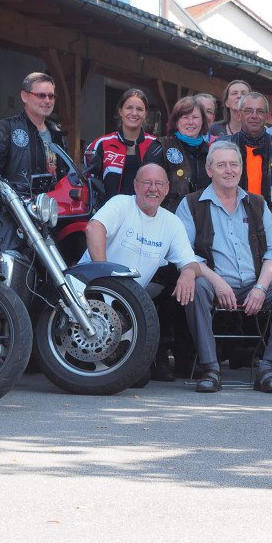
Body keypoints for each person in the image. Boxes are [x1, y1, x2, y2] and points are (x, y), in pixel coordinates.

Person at [175, 140, 272, 394]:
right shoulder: (191, 204)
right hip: (213, 284)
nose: (229, 170)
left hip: (253, 284)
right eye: (221, 165)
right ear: (209, 170)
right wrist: (217, 282)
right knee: (195, 287)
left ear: (241, 168)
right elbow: (184, 254)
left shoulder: (257, 203)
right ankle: (210, 368)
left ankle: (269, 368)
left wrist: (261, 287)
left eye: (234, 164)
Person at [82, 163, 200, 381]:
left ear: (167, 188)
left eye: (158, 184)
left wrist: (187, 273)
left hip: (127, 308)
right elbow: (94, 228)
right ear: (135, 185)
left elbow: (190, 262)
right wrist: (106, 280)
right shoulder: (120, 203)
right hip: (90, 295)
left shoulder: (172, 223)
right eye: (147, 183)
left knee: (140, 378)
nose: (152, 189)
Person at [0, 72, 67, 251]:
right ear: (25, 96)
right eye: (41, 95)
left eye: (51, 96)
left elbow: (63, 175)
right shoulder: (5, 128)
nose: (47, 100)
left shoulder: (56, 133)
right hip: (14, 219)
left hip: (49, 216)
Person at [218, 91, 272, 238]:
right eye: (248, 111)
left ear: (267, 116)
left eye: (260, 111)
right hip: (229, 229)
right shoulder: (222, 146)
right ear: (239, 114)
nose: (254, 116)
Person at [84, 88, 157, 202]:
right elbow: (89, 184)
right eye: (129, 108)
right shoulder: (100, 144)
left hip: (147, 211)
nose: (134, 113)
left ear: (145, 113)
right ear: (120, 111)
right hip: (110, 211)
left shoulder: (156, 145)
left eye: (139, 109)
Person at [145, 95, 210, 213]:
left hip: (204, 217)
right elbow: (147, 185)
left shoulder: (211, 151)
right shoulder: (161, 147)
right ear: (176, 121)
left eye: (195, 117)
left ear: (202, 121)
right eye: (185, 117)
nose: (191, 122)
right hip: (169, 217)